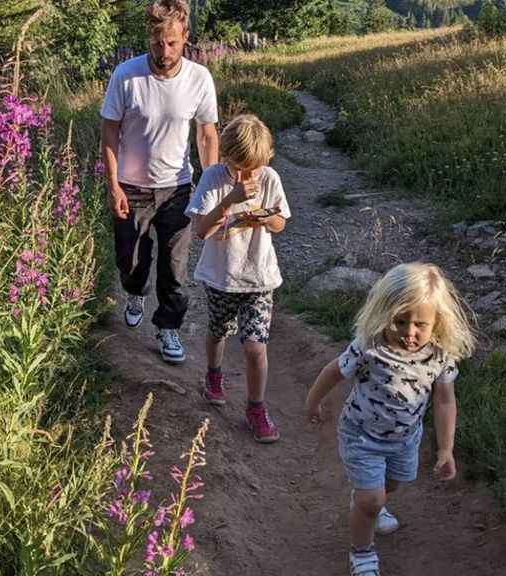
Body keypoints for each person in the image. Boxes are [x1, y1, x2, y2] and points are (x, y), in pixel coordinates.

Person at [304, 262, 476, 576]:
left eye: (420, 324)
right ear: (384, 313)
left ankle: (367, 500)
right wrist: (313, 401)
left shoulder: (439, 355)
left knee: (390, 485)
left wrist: (446, 449)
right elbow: (333, 371)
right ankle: (362, 551)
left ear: (437, 322)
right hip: (361, 436)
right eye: (400, 321)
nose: (409, 333)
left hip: (405, 439)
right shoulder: (369, 347)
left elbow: (444, 399)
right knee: (372, 500)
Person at [100, 0, 219, 365]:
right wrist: (113, 186)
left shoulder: (199, 78)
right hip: (131, 187)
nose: (163, 52)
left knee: (175, 266)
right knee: (131, 261)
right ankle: (135, 292)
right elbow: (109, 131)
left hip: (178, 188)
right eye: (156, 43)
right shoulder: (126, 75)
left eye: (171, 43)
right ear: (148, 38)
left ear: (185, 37)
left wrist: (209, 189)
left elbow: (206, 135)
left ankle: (168, 327)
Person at [185, 114, 289, 443]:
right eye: (239, 167)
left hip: (259, 277)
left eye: (253, 168)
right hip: (221, 275)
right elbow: (202, 230)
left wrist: (262, 218)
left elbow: (281, 223)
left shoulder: (269, 178)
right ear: (226, 158)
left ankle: (256, 408)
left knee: (256, 347)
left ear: (266, 160)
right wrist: (230, 200)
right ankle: (213, 375)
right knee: (218, 332)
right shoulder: (214, 178)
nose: (247, 175)